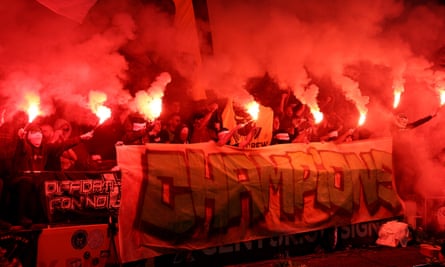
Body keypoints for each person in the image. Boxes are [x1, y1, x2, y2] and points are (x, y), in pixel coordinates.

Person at [9, 123, 94, 227]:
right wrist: (21, 139)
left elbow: (63, 145)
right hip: (21, 180)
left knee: (45, 185)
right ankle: (19, 217)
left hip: (38, 181)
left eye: (39, 133)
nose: (37, 135)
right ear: (27, 135)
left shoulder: (46, 148)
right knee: (25, 183)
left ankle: (44, 218)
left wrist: (81, 138)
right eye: (34, 133)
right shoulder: (25, 147)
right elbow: (21, 148)